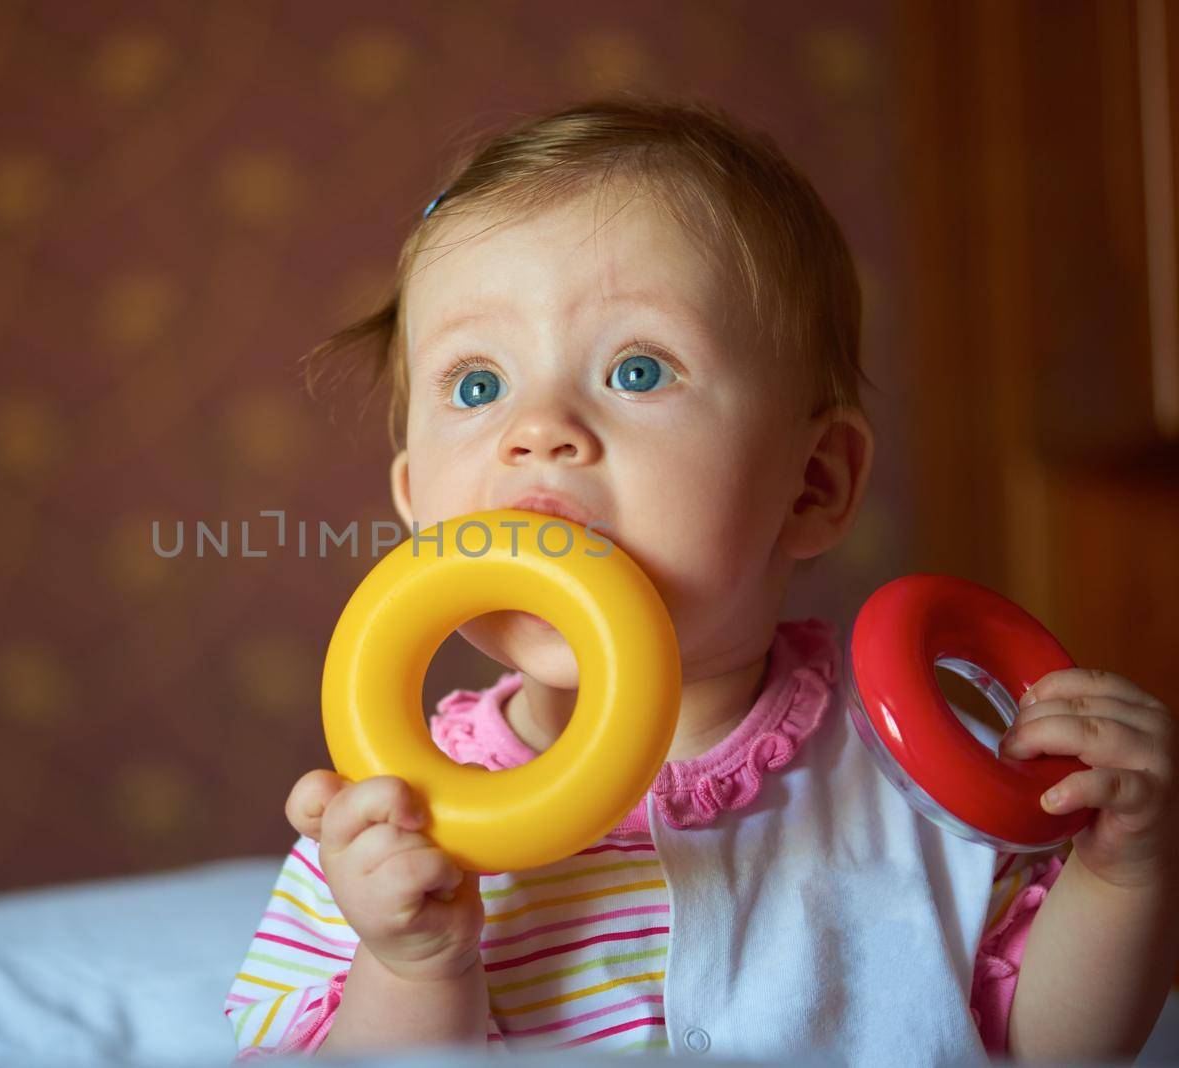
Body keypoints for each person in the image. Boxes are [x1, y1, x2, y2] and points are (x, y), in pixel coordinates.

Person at [222, 96, 1179, 1065]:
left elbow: (1049, 1050)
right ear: (419, 508)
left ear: (813, 483)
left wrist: (1122, 878)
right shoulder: (391, 819)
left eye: (637, 370)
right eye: (477, 386)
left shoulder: (927, 771)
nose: (539, 427)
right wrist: (411, 966)